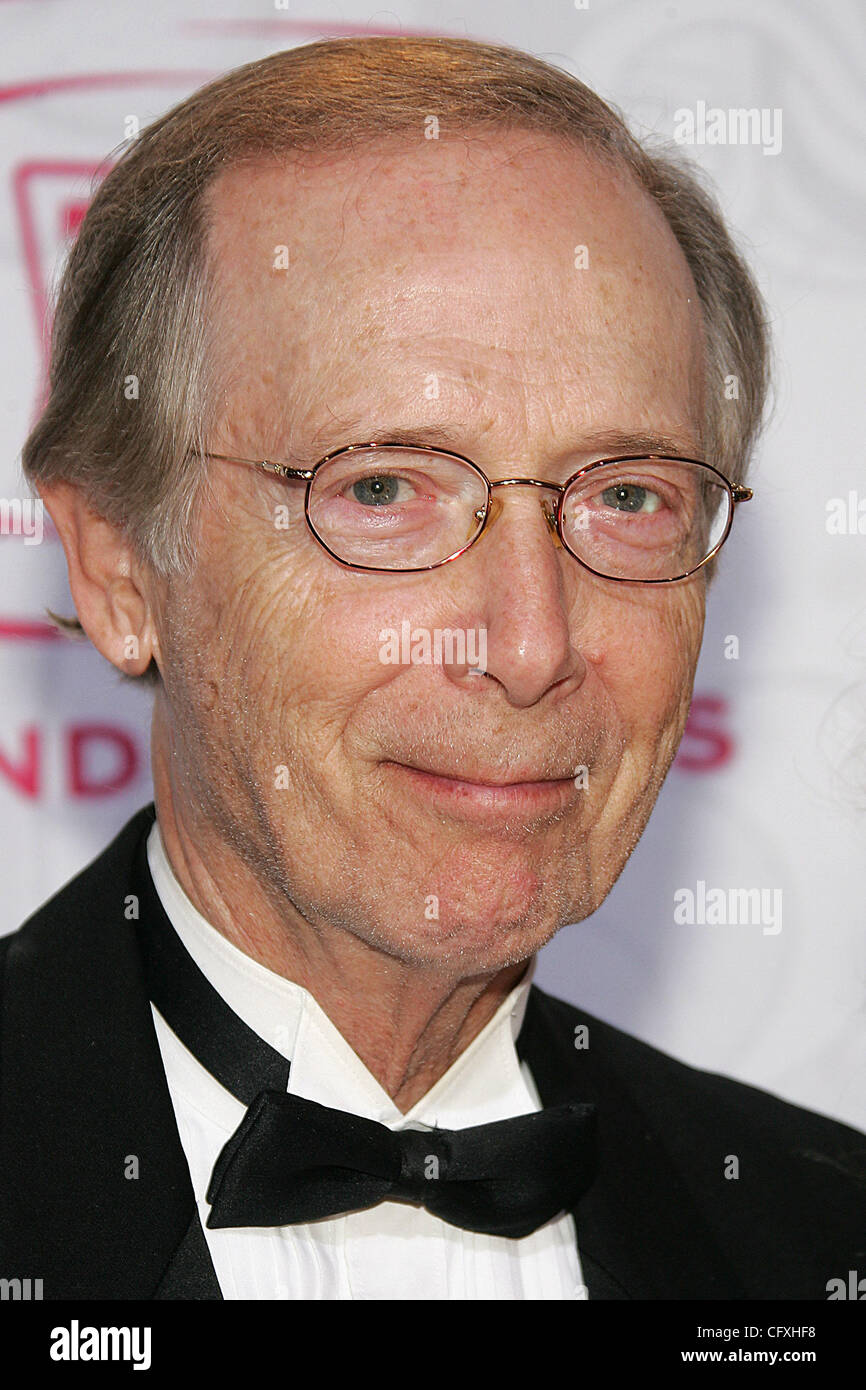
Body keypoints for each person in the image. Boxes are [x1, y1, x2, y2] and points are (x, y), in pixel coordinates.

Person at [1, 35, 862, 1302]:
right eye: (384, 488)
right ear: (121, 569)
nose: (528, 645)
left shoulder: (818, 1234)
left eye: (626, 494)